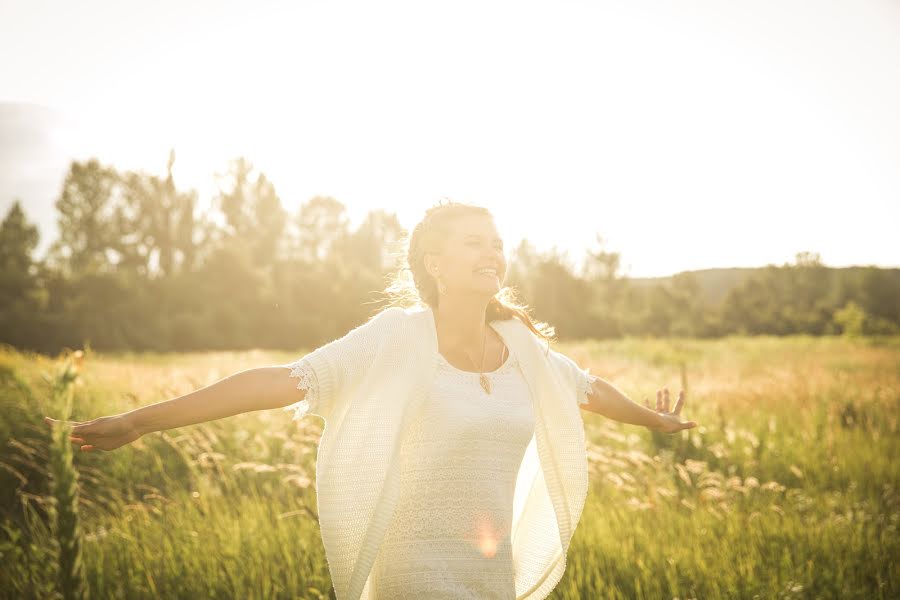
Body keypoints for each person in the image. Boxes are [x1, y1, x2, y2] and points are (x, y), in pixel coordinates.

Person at [45, 199, 696, 599]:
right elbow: (280, 381)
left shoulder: (521, 346)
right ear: (433, 263)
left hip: (490, 577)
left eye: (497, 242)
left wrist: (655, 419)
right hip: (416, 576)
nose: (493, 252)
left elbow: (586, 389)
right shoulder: (397, 338)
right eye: (476, 241)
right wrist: (138, 420)